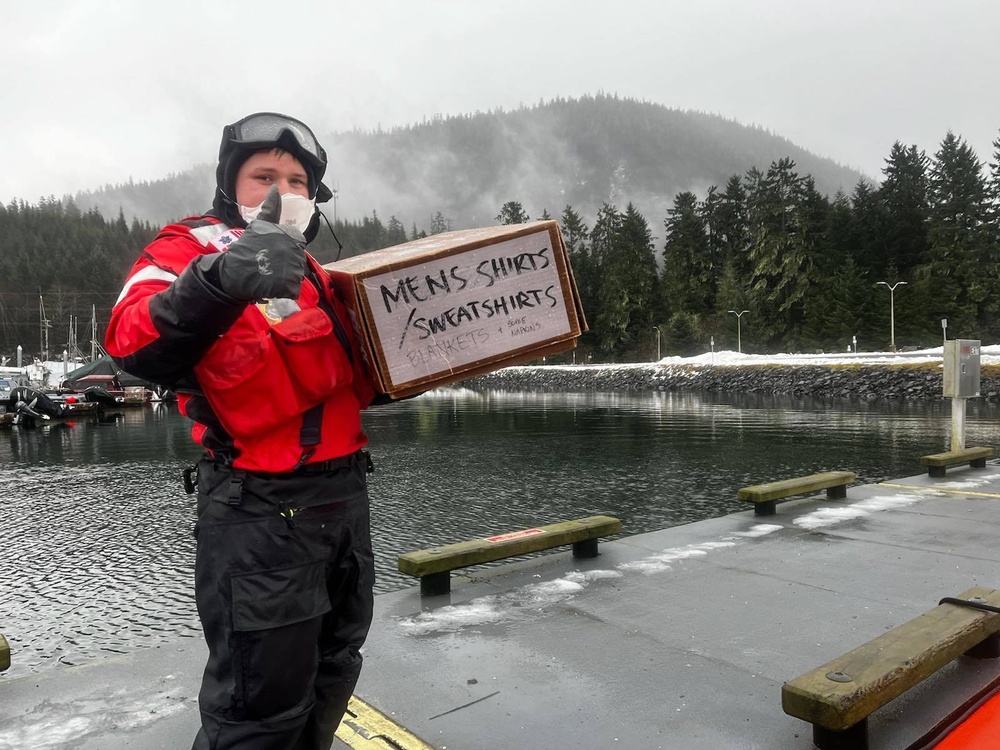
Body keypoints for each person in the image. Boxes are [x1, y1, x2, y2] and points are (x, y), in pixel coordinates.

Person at [106, 112, 380, 750]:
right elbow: (129, 338)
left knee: (335, 670)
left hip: (344, 501)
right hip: (259, 508)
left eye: (296, 179)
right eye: (264, 176)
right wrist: (219, 280)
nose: (283, 192)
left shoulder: (314, 272)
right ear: (232, 185)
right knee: (257, 708)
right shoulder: (187, 248)